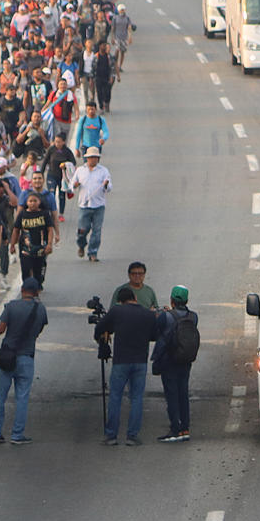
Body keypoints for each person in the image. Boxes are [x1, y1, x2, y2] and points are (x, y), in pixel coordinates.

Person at [0, 277, 48, 445]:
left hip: (7, 356)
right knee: (22, 397)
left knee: (0, 395)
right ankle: (17, 434)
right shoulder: (41, 309)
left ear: (22, 290)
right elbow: (39, 330)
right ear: (37, 292)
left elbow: (0, 330)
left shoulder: (12, 306)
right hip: (27, 356)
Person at [97, 284, 156, 446]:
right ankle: (132, 436)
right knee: (136, 398)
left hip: (121, 361)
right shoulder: (147, 314)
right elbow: (154, 335)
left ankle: (111, 435)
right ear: (135, 298)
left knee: (115, 397)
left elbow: (100, 326)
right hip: (140, 361)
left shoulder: (117, 311)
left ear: (120, 301)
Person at [151, 285, 198, 443]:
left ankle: (175, 429)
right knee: (183, 393)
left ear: (171, 300)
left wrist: (162, 314)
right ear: (186, 300)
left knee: (171, 394)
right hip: (186, 359)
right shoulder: (193, 316)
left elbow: (157, 331)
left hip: (169, 360)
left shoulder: (166, 317)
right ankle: (185, 428)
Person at [69, 146, 112, 261]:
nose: (93, 160)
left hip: (99, 205)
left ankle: (93, 252)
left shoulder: (103, 171)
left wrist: (106, 184)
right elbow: (71, 185)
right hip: (84, 205)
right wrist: (75, 185)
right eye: (90, 157)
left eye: (95, 158)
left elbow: (109, 188)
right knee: (82, 230)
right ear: (87, 158)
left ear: (98, 159)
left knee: (97, 230)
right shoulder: (80, 170)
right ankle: (81, 245)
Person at [13, 188, 56, 285]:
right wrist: (12, 245)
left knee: (38, 270)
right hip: (25, 248)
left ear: (39, 202)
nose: (32, 203)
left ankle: (37, 288)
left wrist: (49, 244)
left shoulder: (44, 214)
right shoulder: (22, 214)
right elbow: (16, 230)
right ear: (26, 202)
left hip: (40, 248)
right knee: (26, 270)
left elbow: (50, 229)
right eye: (30, 201)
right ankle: (27, 289)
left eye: (35, 201)